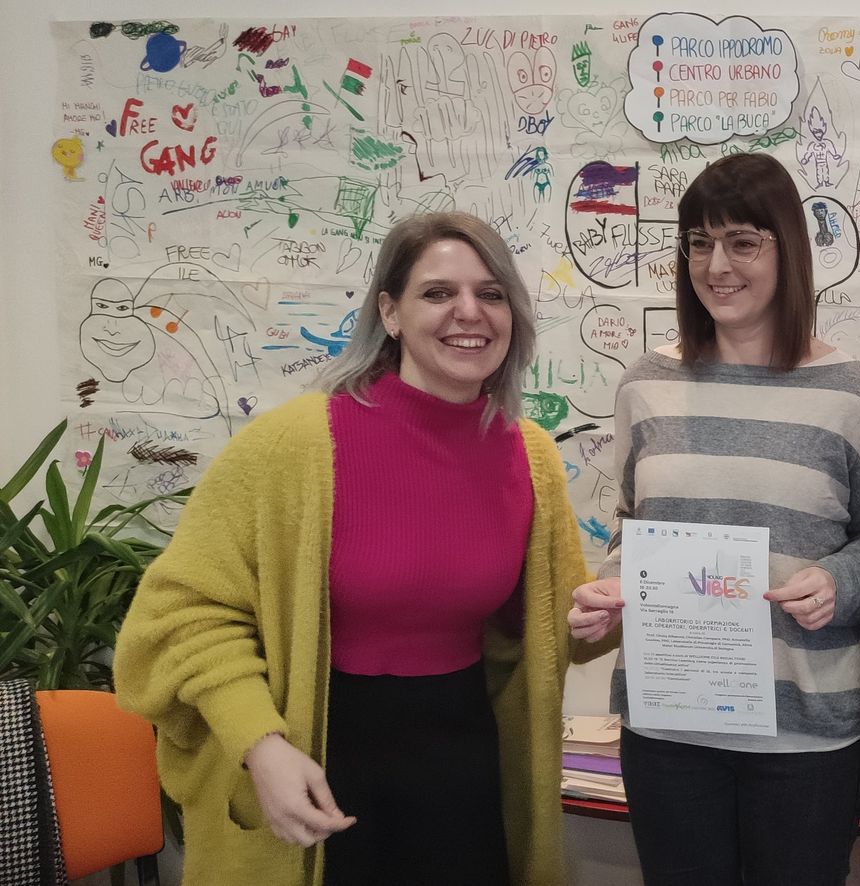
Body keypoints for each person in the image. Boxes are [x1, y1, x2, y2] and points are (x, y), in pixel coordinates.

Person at [113, 211, 618, 885]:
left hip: (464, 764)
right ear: (390, 312)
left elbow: (540, 632)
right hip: (315, 756)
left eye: (491, 293)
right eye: (438, 292)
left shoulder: (530, 457)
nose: (469, 312)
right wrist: (259, 743)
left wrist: (597, 615)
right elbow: (184, 612)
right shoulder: (293, 444)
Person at [566, 152, 860, 886]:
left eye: (743, 242)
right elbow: (635, 523)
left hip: (806, 736)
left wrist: (841, 582)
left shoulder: (852, 394)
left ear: (789, 250)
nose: (717, 265)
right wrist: (612, 588)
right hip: (670, 725)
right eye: (699, 242)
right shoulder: (645, 385)